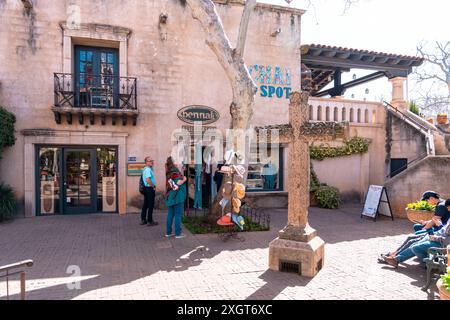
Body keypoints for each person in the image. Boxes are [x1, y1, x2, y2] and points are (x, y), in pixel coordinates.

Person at [384, 199, 450, 268]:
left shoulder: (441, 207)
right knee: (413, 242)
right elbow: (445, 230)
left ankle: (429, 265)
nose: (448, 210)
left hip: (441, 242)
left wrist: (436, 238)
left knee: (415, 247)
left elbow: (448, 240)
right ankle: (395, 258)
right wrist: (439, 226)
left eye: (448, 208)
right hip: (437, 236)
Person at [165, 156, 187, 239]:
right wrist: (184, 179)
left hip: (170, 195)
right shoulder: (175, 172)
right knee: (178, 215)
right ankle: (178, 233)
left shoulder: (169, 171)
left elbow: (172, 182)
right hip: (177, 196)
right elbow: (178, 182)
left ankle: (168, 232)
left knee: (170, 214)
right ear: (174, 163)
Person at [140, 157, 158, 226]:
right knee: (150, 205)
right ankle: (150, 221)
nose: (152, 162)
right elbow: (148, 179)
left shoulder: (145, 169)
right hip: (149, 188)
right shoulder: (147, 169)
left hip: (146, 188)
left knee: (146, 204)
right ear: (146, 162)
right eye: (150, 161)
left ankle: (143, 219)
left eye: (152, 160)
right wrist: (153, 186)